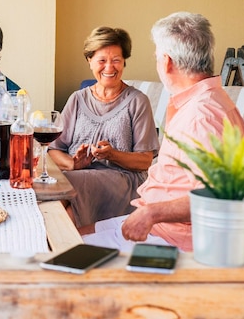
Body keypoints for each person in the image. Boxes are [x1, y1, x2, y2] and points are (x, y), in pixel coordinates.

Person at [80, 12, 244, 253]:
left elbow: (222, 196)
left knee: (58, 247)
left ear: (167, 62)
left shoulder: (202, 116)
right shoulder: (202, 101)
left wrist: (151, 213)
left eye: (157, 56)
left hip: (172, 238)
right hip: (158, 225)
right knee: (64, 234)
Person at [48, 26, 160, 227]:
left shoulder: (138, 101)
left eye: (116, 60)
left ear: (124, 61)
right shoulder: (77, 99)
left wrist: (112, 155)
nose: (109, 67)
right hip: (78, 178)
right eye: (102, 60)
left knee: (66, 185)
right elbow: (53, 150)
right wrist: (74, 164)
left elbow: (145, 161)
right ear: (89, 61)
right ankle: (62, 249)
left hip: (122, 181)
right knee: (63, 203)